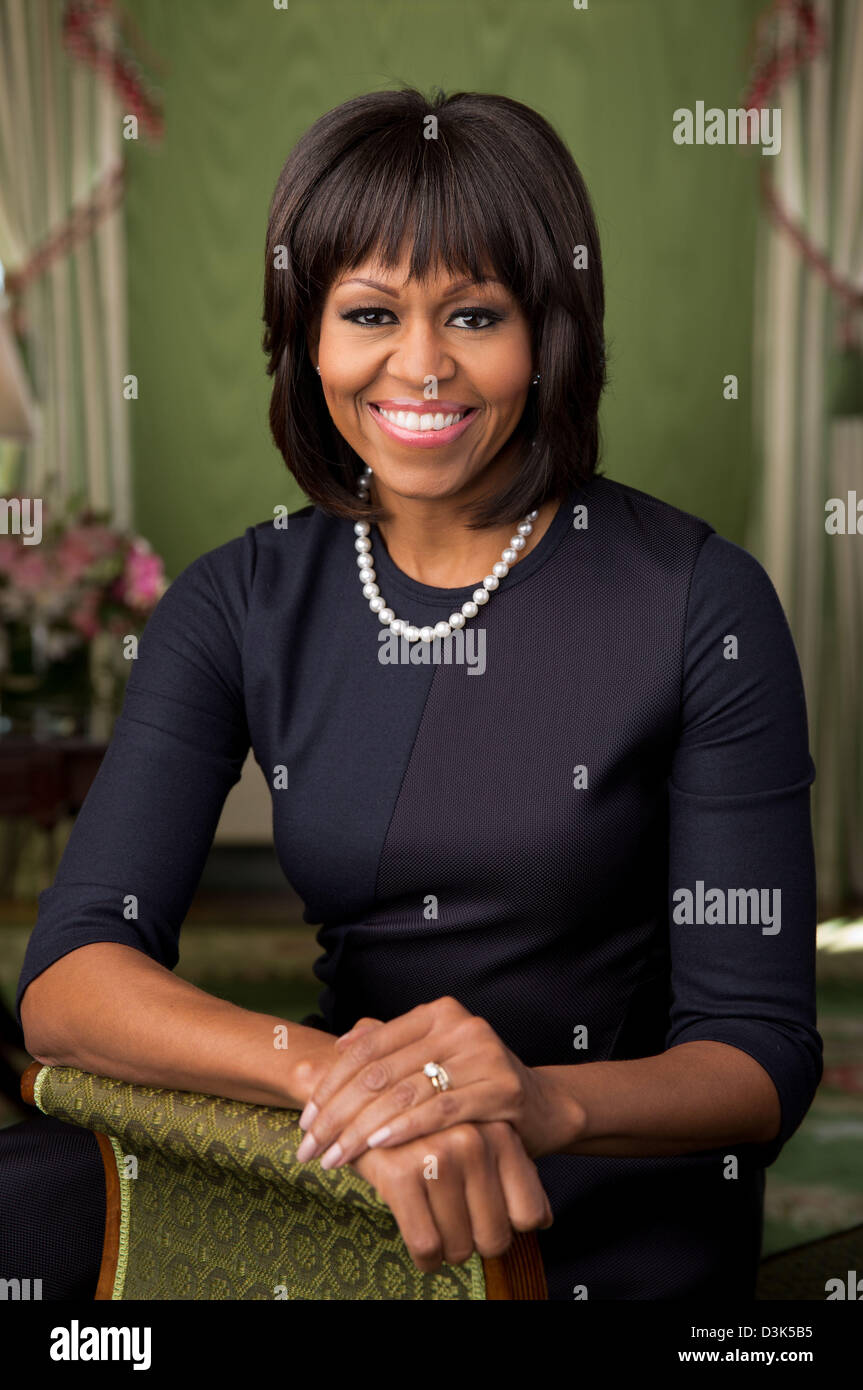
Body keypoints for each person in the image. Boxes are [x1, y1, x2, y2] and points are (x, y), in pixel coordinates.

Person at [11, 86, 821, 1301]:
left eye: (475, 314)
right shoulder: (237, 600)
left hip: (585, 1171)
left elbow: (758, 1057)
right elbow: (70, 976)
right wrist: (336, 1079)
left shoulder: (701, 600)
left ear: (548, 335)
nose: (420, 365)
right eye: (371, 313)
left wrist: (536, 1099)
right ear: (309, 338)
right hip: (342, 1140)